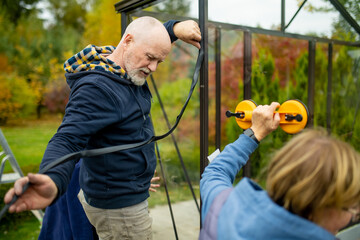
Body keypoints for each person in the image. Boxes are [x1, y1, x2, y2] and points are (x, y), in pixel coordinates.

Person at [4, 16, 201, 240]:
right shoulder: (98, 89)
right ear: (127, 41)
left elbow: (147, 35)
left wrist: (174, 29)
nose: (153, 67)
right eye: (150, 58)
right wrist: (51, 179)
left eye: (159, 61)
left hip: (124, 192)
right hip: (120, 210)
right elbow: (67, 139)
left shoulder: (125, 65)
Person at [199, 102, 360, 240]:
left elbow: (215, 172)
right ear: (320, 207)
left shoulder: (223, 206)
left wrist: (255, 133)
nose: (353, 217)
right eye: (351, 208)